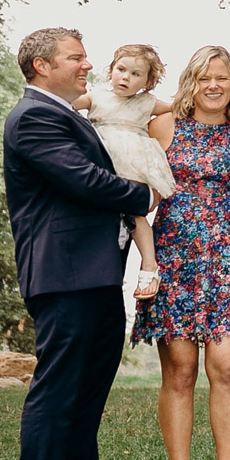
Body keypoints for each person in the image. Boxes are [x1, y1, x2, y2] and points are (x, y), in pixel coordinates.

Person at [3, 29, 160, 460]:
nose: (87, 64)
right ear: (42, 65)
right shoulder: (33, 117)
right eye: (76, 57)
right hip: (62, 271)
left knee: (90, 384)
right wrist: (144, 195)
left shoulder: (68, 114)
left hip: (95, 271)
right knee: (59, 386)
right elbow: (83, 179)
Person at [131, 46, 230, 460]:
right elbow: (140, 187)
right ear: (191, 81)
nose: (214, 86)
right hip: (174, 258)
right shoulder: (163, 126)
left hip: (226, 260)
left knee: (227, 367)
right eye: (205, 77)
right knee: (182, 370)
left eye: (222, 79)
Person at [74, 43, 174, 298]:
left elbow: (178, 108)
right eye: (121, 69)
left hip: (131, 163)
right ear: (111, 70)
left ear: (148, 82)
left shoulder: (147, 103)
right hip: (101, 160)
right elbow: (70, 105)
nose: (126, 77)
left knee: (135, 212)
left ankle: (149, 265)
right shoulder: (97, 96)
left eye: (136, 74)